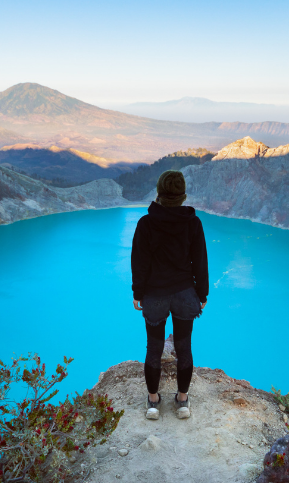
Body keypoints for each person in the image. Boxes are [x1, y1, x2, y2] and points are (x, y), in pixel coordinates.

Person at [131, 170, 209, 421]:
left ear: (159, 193)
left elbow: (139, 262)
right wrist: (202, 294)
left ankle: (153, 403)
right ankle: (183, 401)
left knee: (153, 348)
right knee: (184, 347)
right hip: (185, 293)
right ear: (182, 195)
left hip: (154, 296)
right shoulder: (193, 223)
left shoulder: (146, 223)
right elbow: (200, 262)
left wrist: (138, 293)